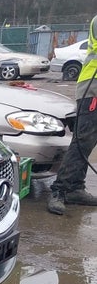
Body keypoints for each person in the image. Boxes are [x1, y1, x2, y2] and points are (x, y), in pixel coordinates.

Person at [48, 13, 97, 215]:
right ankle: (60, 190)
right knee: (82, 141)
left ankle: (76, 188)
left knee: (88, 142)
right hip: (92, 88)